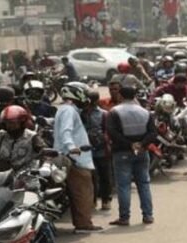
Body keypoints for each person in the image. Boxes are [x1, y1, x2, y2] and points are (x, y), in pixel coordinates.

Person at [0, 105, 61, 243]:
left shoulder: (32, 137)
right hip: (1, 182)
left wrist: (46, 166)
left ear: (22, 122)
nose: (10, 126)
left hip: (27, 183)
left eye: (13, 123)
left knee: (36, 218)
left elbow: (45, 152)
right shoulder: (0, 136)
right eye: (7, 123)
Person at [54, 83, 103, 233]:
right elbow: (66, 131)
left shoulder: (65, 109)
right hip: (75, 158)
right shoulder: (69, 110)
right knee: (83, 192)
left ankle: (82, 222)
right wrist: (71, 147)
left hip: (70, 156)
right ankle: (84, 225)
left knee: (78, 192)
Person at [106, 85, 156, 226]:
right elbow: (153, 132)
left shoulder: (114, 112)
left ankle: (124, 217)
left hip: (121, 152)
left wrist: (129, 144)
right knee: (144, 184)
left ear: (120, 96)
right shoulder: (145, 112)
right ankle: (148, 215)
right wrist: (141, 144)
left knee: (123, 185)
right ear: (134, 96)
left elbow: (112, 132)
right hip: (142, 152)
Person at [84, 90, 112, 211]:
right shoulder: (81, 113)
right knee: (91, 177)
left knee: (104, 175)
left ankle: (106, 200)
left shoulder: (104, 114)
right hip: (86, 150)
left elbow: (107, 130)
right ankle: (93, 200)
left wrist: (104, 140)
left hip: (101, 149)